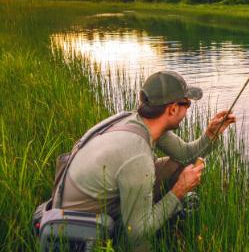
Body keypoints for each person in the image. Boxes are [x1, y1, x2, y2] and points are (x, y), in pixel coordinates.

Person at [58, 71, 236, 250]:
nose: (187, 111)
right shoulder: (137, 156)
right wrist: (179, 190)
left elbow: (185, 156)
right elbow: (136, 232)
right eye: (187, 104)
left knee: (176, 165)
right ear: (172, 109)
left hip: (95, 199)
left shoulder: (139, 121)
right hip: (83, 223)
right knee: (141, 239)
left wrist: (211, 135)